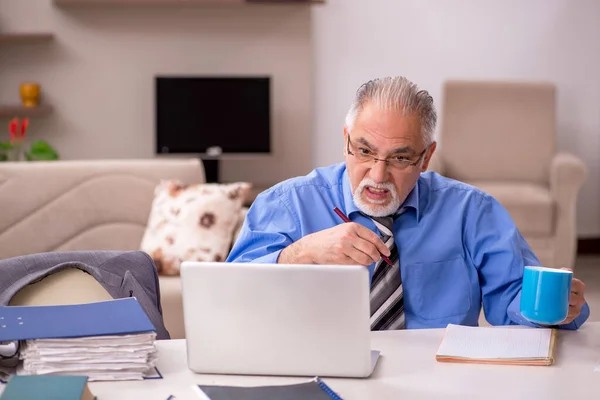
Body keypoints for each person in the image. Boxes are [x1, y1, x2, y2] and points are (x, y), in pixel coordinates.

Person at [227, 76, 589, 330]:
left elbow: (513, 299)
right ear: (346, 140)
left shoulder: (471, 212)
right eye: (365, 151)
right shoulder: (287, 203)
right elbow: (229, 301)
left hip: (436, 381)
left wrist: (556, 310)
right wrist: (298, 254)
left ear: (426, 157)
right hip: (317, 376)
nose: (378, 175)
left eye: (400, 158)